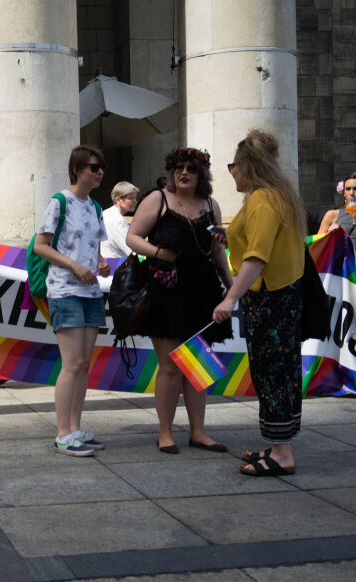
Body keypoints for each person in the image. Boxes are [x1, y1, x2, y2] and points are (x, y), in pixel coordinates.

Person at [212, 129, 306, 477]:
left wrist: (229, 297)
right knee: (279, 372)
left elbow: (257, 257)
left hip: (270, 299)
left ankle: (283, 454)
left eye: (232, 166)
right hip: (281, 297)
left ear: (246, 165)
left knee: (273, 373)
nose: (230, 172)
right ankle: (280, 445)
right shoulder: (276, 196)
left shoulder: (263, 200)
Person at [126, 148, 232, 454]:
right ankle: (165, 433)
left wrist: (231, 288)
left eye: (191, 169)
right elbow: (132, 236)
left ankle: (198, 432)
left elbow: (217, 252)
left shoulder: (211, 204)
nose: (183, 173)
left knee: (197, 364)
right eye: (178, 168)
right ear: (171, 171)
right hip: (166, 291)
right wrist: (159, 254)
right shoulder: (157, 199)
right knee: (170, 366)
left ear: (201, 175)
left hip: (203, 291)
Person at [33, 145, 110, 457]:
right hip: (65, 290)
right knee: (73, 363)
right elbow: (41, 245)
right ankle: (63, 433)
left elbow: (94, 245)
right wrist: (74, 265)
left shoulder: (94, 206)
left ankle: (75, 429)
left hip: (91, 291)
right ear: (77, 169)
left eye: (101, 166)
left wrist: (99, 262)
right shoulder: (60, 201)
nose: (99, 171)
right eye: (93, 167)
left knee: (84, 364)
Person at [319, 172, 356, 276]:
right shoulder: (332, 215)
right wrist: (329, 234)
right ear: (344, 192)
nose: (351, 193)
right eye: (348, 189)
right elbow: (318, 246)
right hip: (338, 268)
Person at [100, 181, 139, 259]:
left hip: (103, 262)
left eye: (135, 197)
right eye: (131, 198)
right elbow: (131, 250)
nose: (135, 201)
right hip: (116, 265)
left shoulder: (105, 213)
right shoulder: (118, 220)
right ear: (118, 199)